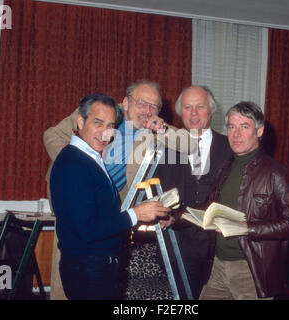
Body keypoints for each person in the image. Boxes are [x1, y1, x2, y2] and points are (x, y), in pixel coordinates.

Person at [44, 80, 194, 299]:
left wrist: (161, 129)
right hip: (77, 197)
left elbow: (190, 145)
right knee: (69, 270)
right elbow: (51, 136)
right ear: (125, 102)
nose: (147, 111)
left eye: (154, 106)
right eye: (142, 103)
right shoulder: (100, 112)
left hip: (109, 207)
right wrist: (78, 171)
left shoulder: (151, 130)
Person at [199, 101, 289, 299]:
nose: (236, 134)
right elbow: (210, 206)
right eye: (231, 127)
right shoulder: (224, 168)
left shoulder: (277, 174)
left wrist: (247, 228)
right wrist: (175, 216)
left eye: (244, 127)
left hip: (251, 270)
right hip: (217, 266)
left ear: (259, 131)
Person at [155, 85, 232, 299]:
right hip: (178, 248)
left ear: (212, 110)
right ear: (180, 112)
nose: (194, 113)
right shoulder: (163, 148)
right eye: (188, 107)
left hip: (220, 249)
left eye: (200, 106)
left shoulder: (231, 147)